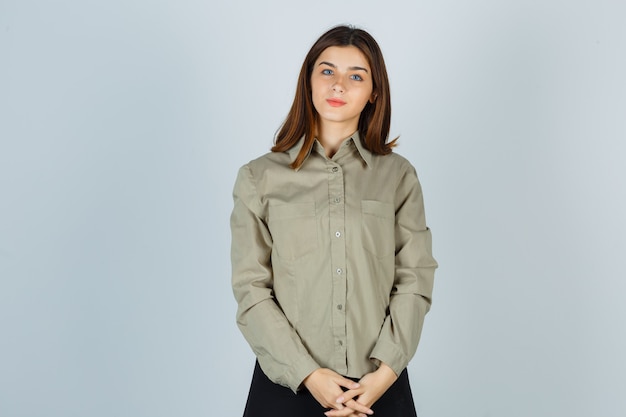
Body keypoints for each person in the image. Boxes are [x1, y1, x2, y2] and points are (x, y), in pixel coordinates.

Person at [230, 25, 438, 417]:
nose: (338, 85)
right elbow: (251, 289)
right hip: (286, 389)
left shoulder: (398, 177)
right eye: (327, 71)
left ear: (374, 91)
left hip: (378, 390)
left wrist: (384, 373)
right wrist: (308, 374)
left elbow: (415, 278)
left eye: (356, 76)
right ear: (309, 79)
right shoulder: (259, 178)